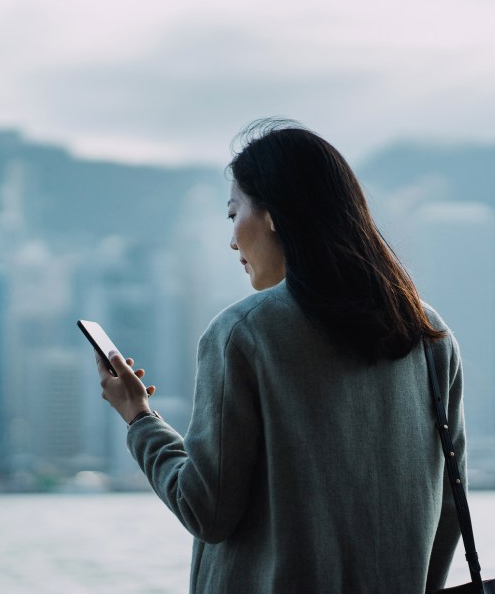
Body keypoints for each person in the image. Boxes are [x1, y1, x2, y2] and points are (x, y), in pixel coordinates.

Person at [98, 119, 467, 593]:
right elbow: (451, 510)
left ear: (273, 214)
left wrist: (139, 419)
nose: (232, 239)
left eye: (234, 214)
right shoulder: (429, 335)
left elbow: (205, 509)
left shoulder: (243, 334)